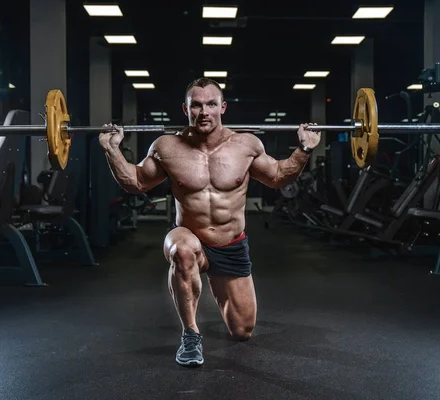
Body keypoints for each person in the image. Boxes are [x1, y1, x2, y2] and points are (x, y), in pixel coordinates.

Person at [99, 78, 321, 367]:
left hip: (231, 245)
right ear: (186, 108)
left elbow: (278, 176)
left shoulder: (246, 145)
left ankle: (218, 287)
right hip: (191, 238)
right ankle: (190, 334)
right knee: (182, 249)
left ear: (223, 107)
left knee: (242, 331)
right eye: (197, 105)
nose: (204, 111)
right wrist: (111, 149)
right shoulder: (166, 147)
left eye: (211, 104)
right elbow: (137, 182)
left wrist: (304, 150)